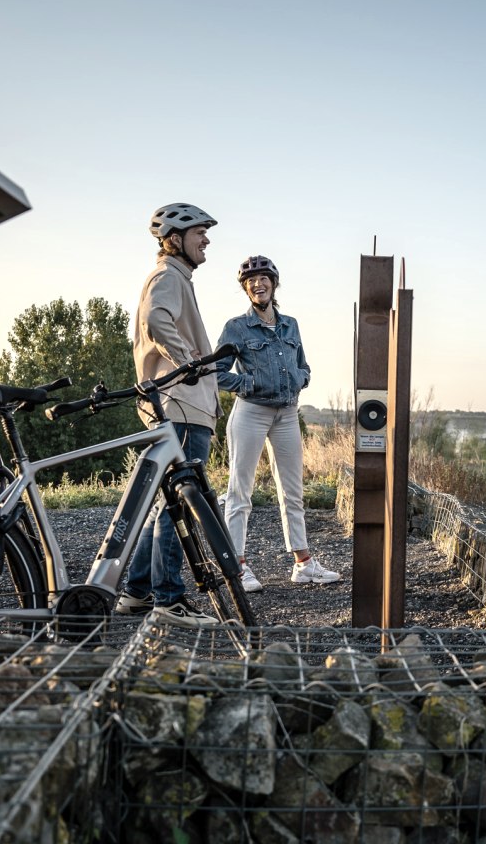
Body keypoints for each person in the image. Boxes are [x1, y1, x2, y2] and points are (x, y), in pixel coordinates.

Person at [116, 202, 225, 625]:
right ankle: (169, 599)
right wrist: (189, 364)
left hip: (182, 405)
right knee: (182, 504)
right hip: (180, 403)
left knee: (167, 505)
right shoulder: (167, 276)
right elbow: (157, 320)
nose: (207, 240)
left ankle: (138, 593)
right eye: (200, 232)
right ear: (176, 239)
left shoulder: (177, 278)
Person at [216, 255, 341, 590]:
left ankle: (303, 564)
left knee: (293, 491)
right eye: (251, 281)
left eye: (263, 279)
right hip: (250, 414)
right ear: (245, 288)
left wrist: (302, 378)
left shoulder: (291, 325)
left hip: (287, 415)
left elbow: (303, 364)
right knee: (240, 492)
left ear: (273, 282)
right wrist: (246, 384)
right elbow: (217, 373)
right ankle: (237, 567)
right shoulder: (236, 328)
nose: (258, 285)